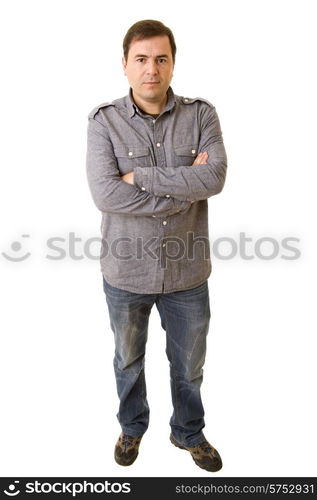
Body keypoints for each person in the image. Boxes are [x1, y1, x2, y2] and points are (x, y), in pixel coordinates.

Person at [86, 19, 227, 472]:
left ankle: (188, 431)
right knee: (128, 359)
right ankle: (132, 428)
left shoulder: (202, 115)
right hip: (126, 272)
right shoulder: (103, 122)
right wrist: (185, 184)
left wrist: (140, 177)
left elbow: (215, 178)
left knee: (189, 365)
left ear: (172, 63)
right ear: (125, 65)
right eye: (142, 60)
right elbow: (106, 194)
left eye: (161, 59)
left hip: (187, 273)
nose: (152, 69)